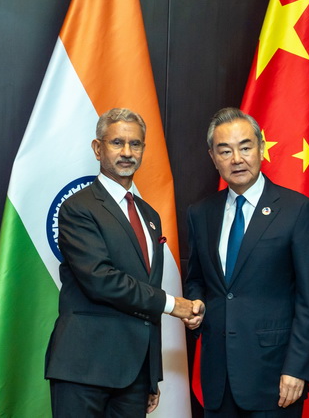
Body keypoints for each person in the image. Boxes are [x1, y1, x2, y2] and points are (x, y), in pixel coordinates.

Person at [45, 108, 201, 417]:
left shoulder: (150, 216)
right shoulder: (78, 208)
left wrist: (151, 376)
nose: (127, 152)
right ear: (98, 148)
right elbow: (101, 280)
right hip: (84, 370)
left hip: (134, 376)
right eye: (117, 143)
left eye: (136, 144)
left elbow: (146, 293)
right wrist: (174, 305)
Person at [184, 107, 309, 417]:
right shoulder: (201, 213)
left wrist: (297, 368)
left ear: (261, 147)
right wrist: (195, 304)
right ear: (213, 157)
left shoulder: (297, 210)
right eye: (225, 150)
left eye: (245, 147)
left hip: (274, 378)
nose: (237, 158)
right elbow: (196, 278)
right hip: (217, 378)